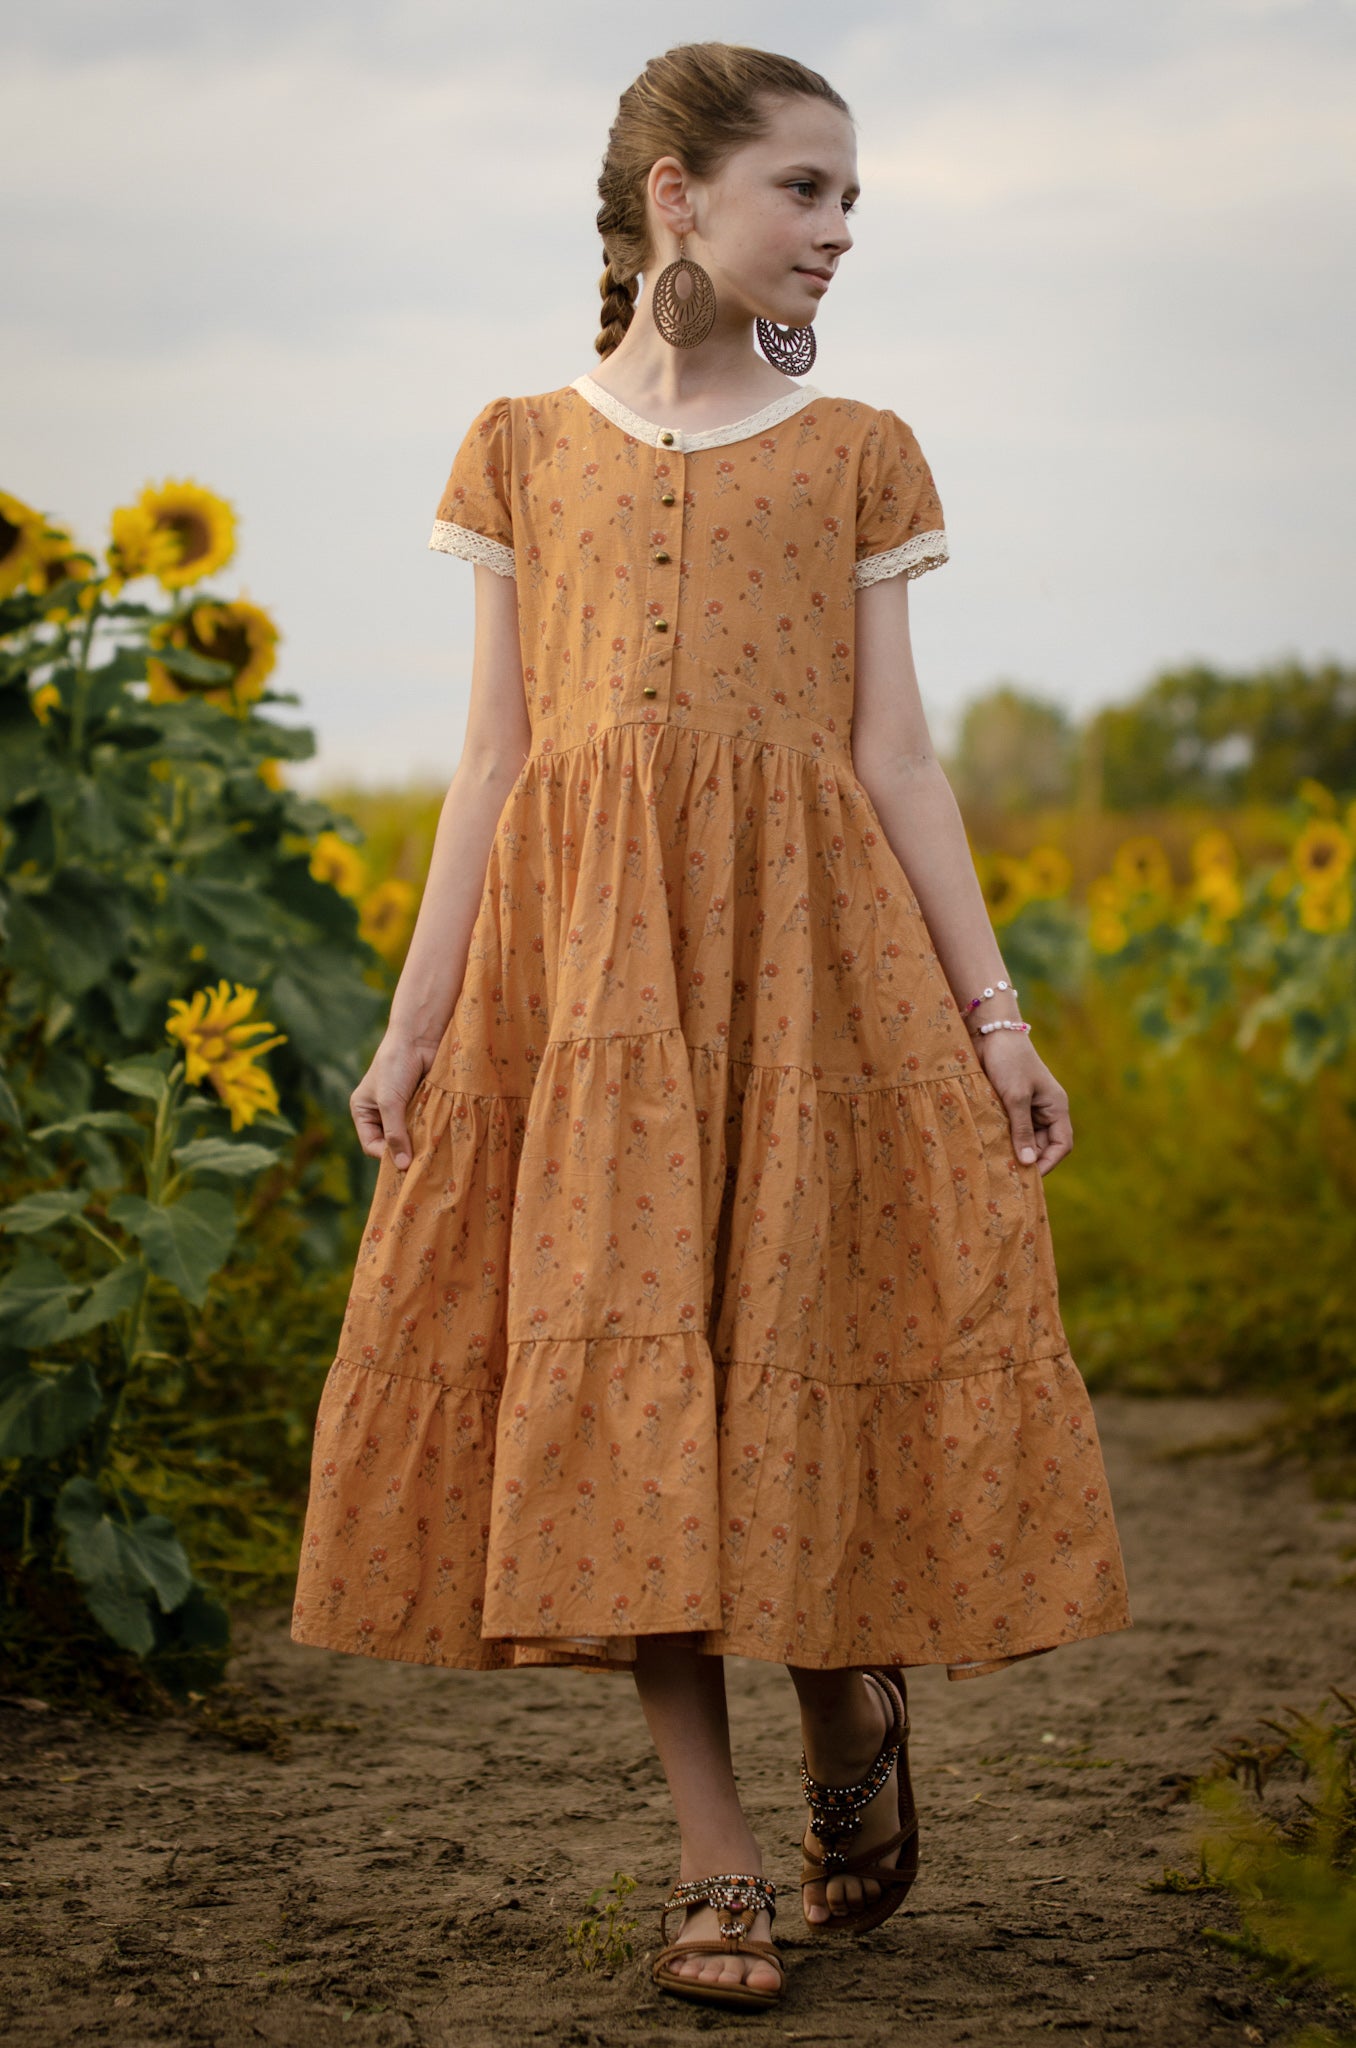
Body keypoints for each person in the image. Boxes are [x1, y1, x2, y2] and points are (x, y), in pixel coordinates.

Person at [291, 40, 1134, 2014]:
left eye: (852, 200)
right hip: (590, 993)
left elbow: (897, 754)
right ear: (678, 193)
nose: (838, 231)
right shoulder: (517, 445)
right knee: (624, 1393)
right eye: (805, 189)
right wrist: (415, 1027)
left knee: (793, 1349)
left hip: (816, 973)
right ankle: (715, 1862)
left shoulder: (861, 451)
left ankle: (848, 1701)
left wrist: (995, 1018)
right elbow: (495, 761)